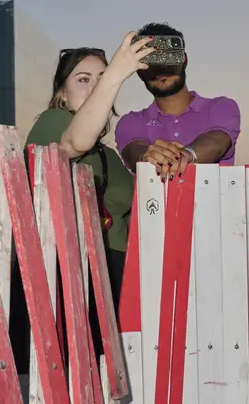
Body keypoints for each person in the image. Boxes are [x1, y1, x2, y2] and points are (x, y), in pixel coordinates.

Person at [8, 32, 154, 373]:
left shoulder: (113, 157)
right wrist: (116, 73)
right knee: (66, 371)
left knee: (107, 375)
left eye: (101, 79)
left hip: (114, 269)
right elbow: (74, 142)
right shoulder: (52, 122)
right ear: (62, 92)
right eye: (83, 79)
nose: (93, 86)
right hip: (66, 267)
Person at [115, 23, 241, 180]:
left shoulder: (221, 107)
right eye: (151, 60)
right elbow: (134, 152)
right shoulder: (130, 122)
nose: (160, 68)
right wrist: (146, 156)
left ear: (184, 60)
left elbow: (218, 141)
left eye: (168, 58)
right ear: (138, 70)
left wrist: (188, 155)